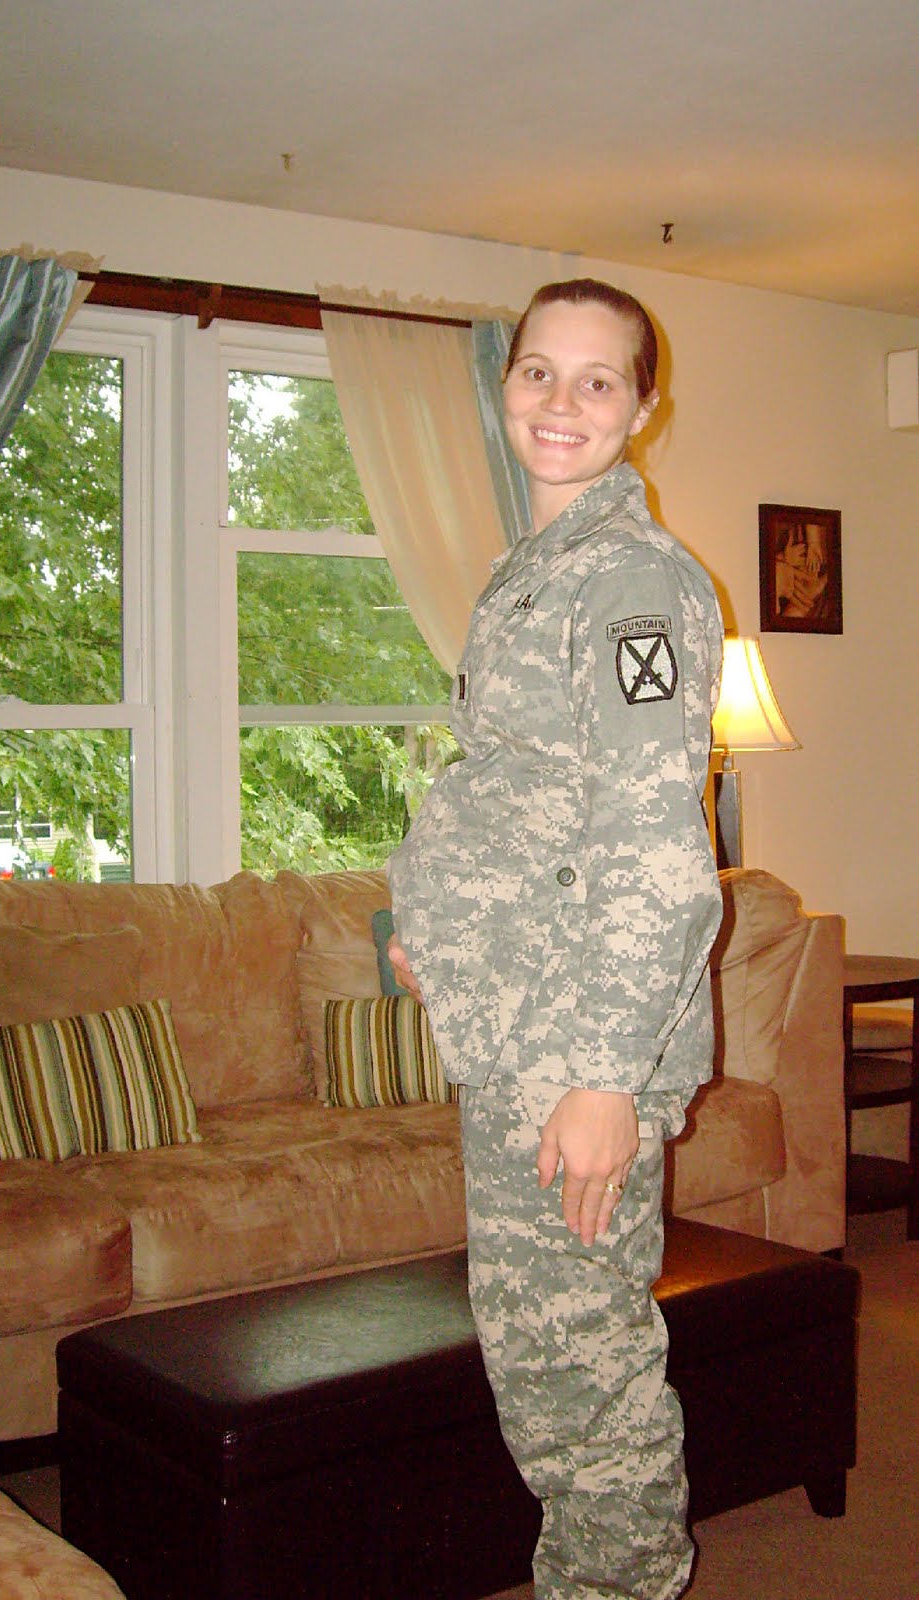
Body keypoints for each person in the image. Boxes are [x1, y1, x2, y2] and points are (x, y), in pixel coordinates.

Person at [384, 279, 724, 1600]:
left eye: (599, 380)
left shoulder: (633, 583)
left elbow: (656, 846)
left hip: (576, 1049)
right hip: (515, 1022)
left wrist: (603, 1079)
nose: (562, 402)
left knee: (585, 1393)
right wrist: (437, 924)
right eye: (540, 372)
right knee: (541, 1371)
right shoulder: (531, 571)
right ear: (505, 382)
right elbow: (517, 792)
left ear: (644, 407)